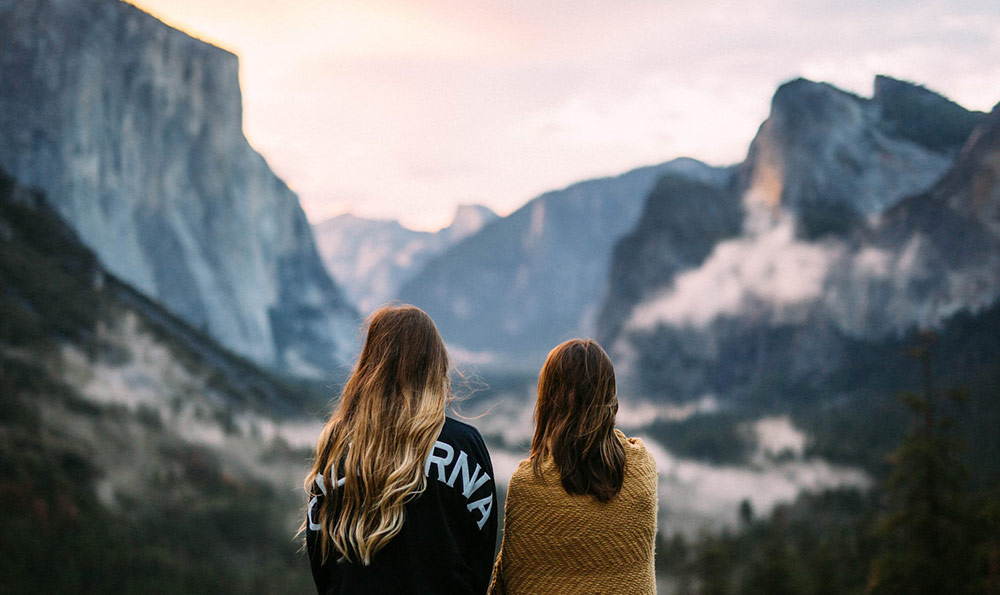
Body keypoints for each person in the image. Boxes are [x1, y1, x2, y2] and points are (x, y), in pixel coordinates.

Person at [303, 305, 498, 594]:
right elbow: (481, 554)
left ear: (370, 366)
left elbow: (320, 554)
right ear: (435, 366)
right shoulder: (465, 445)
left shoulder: (338, 443)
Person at [489, 339, 658, 594]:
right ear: (610, 398)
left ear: (548, 400)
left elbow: (513, 581)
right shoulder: (641, 468)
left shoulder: (528, 484)